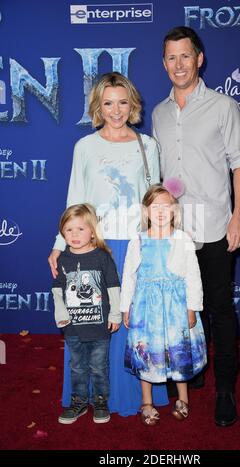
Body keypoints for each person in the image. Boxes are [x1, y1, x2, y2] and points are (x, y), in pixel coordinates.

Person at [48, 72, 168, 416]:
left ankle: (133, 396)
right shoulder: (84, 147)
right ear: (98, 107)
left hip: (134, 245)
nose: (116, 110)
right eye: (108, 103)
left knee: (131, 320)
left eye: (122, 102)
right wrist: (60, 243)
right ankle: (85, 397)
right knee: (88, 323)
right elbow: (75, 200)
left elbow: (154, 202)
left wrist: (158, 245)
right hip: (93, 247)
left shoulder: (148, 146)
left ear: (133, 104)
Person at [152, 26, 240, 426]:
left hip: (212, 227)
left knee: (219, 310)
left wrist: (239, 216)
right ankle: (192, 371)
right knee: (182, 311)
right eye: (171, 57)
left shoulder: (224, 106)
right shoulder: (158, 113)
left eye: (185, 56)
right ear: (164, 63)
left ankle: (225, 388)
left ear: (199, 59)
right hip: (174, 233)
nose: (179, 64)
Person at [120, 184, 207, 425]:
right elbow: (129, 276)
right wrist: (126, 307)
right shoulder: (137, 240)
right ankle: (146, 402)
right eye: (154, 206)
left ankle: (183, 398)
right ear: (146, 211)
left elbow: (193, 276)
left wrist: (192, 308)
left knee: (179, 352)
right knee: (146, 352)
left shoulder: (183, 239)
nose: (160, 211)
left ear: (174, 210)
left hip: (176, 307)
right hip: (146, 308)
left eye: (165, 206)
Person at [52, 203, 121, 424]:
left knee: (99, 367)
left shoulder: (102, 257)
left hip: (99, 326)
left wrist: (115, 315)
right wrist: (60, 312)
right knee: (77, 366)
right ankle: (79, 402)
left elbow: (113, 287)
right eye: (69, 229)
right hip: (73, 326)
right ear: (62, 232)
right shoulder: (62, 259)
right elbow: (57, 289)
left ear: (92, 231)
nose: (74, 234)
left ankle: (100, 402)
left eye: (80, 229)